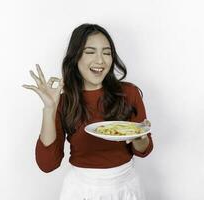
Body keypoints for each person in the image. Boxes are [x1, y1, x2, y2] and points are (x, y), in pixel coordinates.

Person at [22, 23, 153, 200]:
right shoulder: (64, 102)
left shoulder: (129, 93)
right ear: (76, 57)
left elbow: (143, 150)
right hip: (81, 190)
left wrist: (140, 136)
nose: (100, 60)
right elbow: (47, 164)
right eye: (90, 52)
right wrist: (50, 109)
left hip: (125, 187)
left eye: (106, 53)